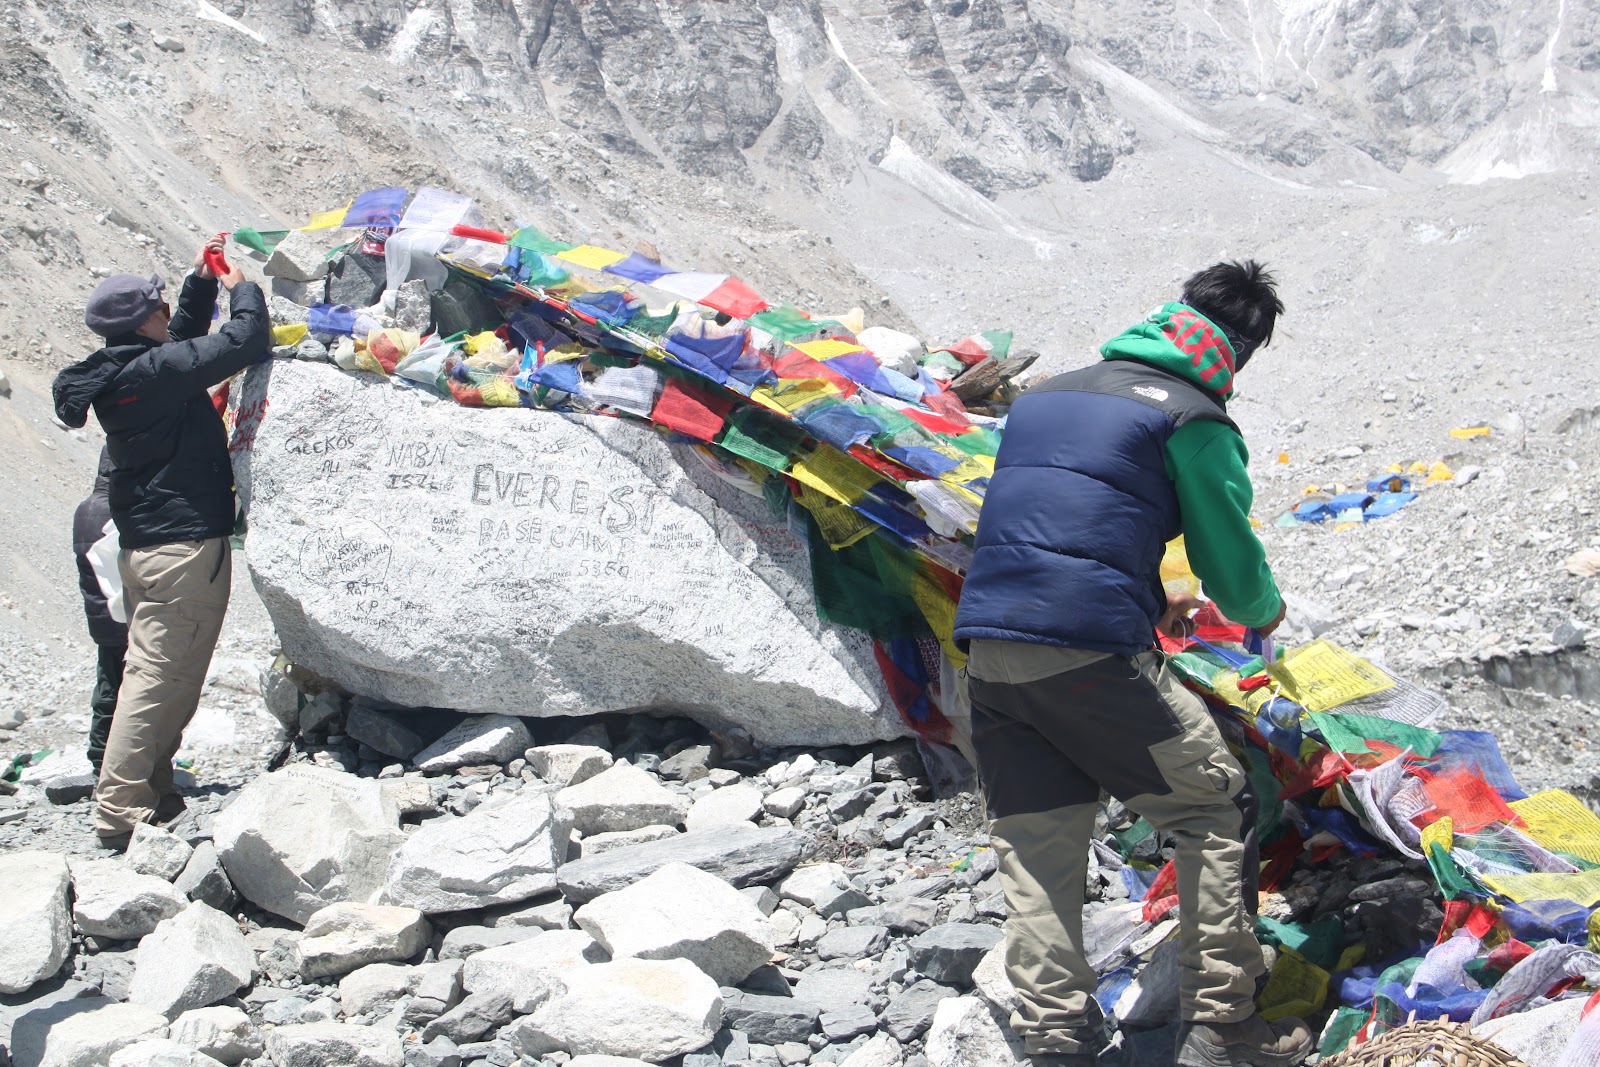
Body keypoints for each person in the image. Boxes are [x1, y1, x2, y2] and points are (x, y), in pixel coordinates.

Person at [953, 261, 1310, 1067]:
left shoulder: (1047, 396)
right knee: (1213, 803)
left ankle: (1057, 1039)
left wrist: (1148, 595)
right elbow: (1231, 564)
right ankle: (1223, 1024)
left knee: (1038, 844)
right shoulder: (1195, 417)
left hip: (991, 647)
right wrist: (1262, 611)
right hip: (1087, 652)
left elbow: (1066, 520)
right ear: (1242, 352)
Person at [53, 235, 270, 850]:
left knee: (161, 673)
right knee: (157, 677)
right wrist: (238, 289)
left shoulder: (128, 370)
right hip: (183, 551)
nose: (162, 313)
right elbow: (244, 340)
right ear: (140, 318)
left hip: (149, 547)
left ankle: (152, 791)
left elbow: (179, 342)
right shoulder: (155, 371)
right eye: (157, 306)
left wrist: (200, 283)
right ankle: (120, 810)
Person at [73, 446, 128, 775]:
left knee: (107, 685)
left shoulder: (85, 509)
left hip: (99, 614)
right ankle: (114, 763)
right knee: (126, 690)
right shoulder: (120, 509)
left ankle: (99, 758)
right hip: (123, 614)